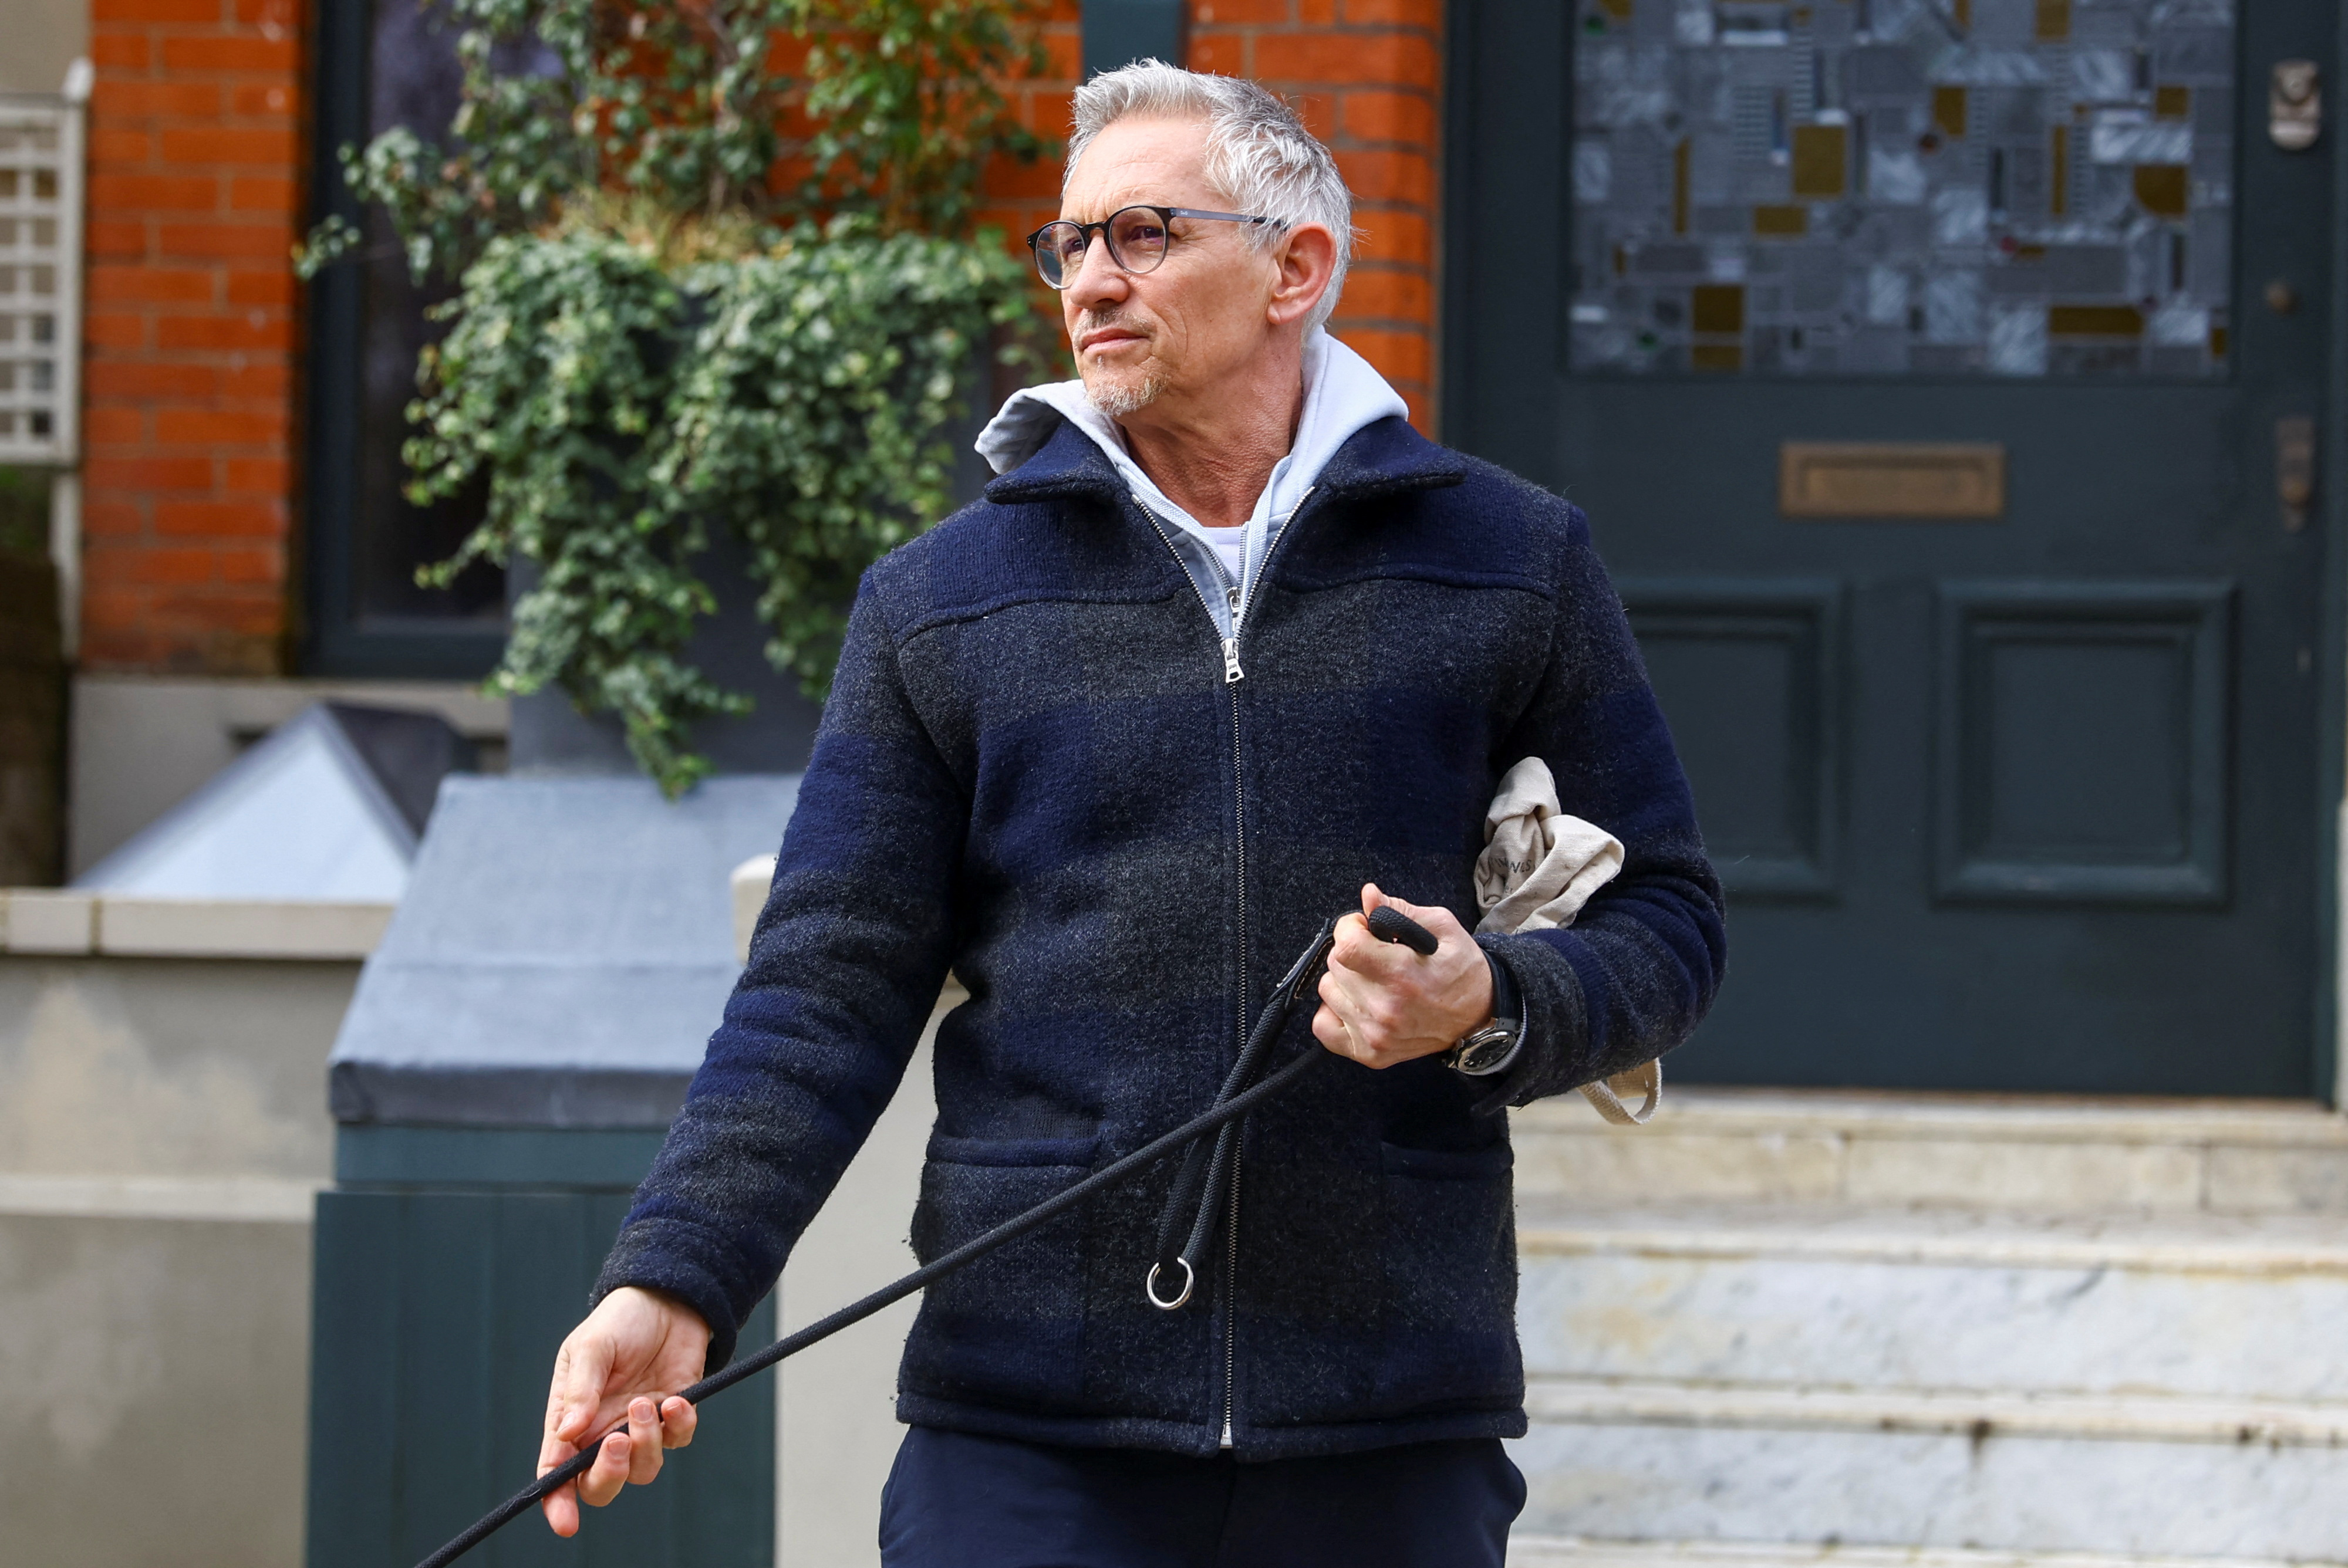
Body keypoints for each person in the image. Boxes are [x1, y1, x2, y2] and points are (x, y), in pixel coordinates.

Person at [534, 61, 1725, 1567]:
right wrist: (676, 1280)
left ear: (1296, 266)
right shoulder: (941, 602)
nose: (1089, 278)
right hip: (1026, 1435)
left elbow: (1670, 924)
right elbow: (817, 992)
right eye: (1069, 243)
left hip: (1386, 1422)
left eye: (1144, 233)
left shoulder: (1509, 559)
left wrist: (1490, 997)